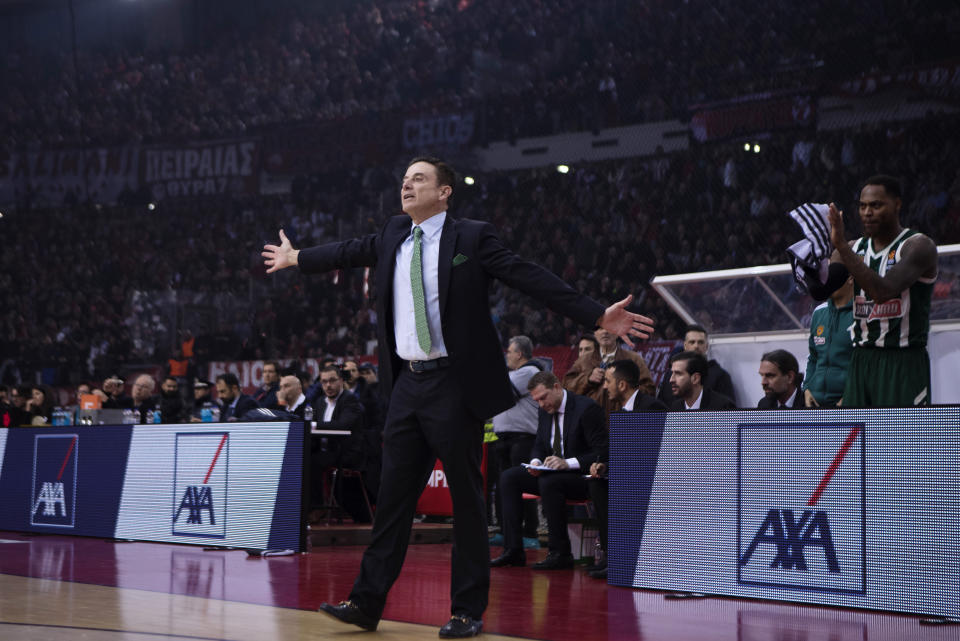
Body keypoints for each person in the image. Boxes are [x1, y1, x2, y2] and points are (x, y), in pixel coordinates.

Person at [262, 156, 654, 638]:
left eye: (419, 178)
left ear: (445, 191)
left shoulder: (472, 236)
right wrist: (296, 257)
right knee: (393, 500)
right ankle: (366, 603)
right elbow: (347, 251)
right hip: (407, 384)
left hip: (454, 384)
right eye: (403, 177)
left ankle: (467, 610)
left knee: (467, 502)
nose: (406, 183)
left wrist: (597, 315)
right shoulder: (390, 234)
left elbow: (528, 275)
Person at [821, 175, 938, 407]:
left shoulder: (919, 246)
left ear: (897, 204)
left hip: (903, 359)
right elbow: (820, 290)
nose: (867, 212)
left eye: (876, 205)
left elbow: (883, 291)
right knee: (861, 441)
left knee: (903, 440)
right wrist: (804, 260)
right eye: (863, 206)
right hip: (862, 358)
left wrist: (841, 247)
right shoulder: (855, 248)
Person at [491, 371, 606, 571]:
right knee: (509, 477)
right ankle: (513, 550)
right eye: (536, 400)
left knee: (549, 482)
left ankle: (560, 553)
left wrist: (567, 463)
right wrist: (535, 461)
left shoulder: (586, 408)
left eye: (543, 398)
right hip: (553, 474)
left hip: (582, 477)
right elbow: (539, 444)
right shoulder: (544, 411)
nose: (541, 404)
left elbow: (601, 452)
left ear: (556, 387)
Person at [586, 360, 668, 580]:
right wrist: (603, 464)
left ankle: (622, 557)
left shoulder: (651, 407)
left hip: (651, 479)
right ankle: (609, 554)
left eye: (609, 381)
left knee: (615, 487)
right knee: (596, 483)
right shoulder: (620, 411)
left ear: (622, 385)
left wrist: (614, 468)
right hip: (626, 476)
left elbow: (650, 454)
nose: (605, 386)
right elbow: (619, 452)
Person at [489, 336, 542, 550]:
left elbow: (500, 392)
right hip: (505, 439)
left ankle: (529, 533)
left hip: (523, 439)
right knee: (503, 487)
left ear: (520, 354)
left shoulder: (528, 372)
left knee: (524, 485)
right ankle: (505, 531)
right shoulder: (516, 374)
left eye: (509, 351)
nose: (507, 355)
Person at [313, 365, 370, 524]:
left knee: (312, 462)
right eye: (324, 382)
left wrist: (314, 425)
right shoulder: (319, 402)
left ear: (341, 381)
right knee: (303, 458)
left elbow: (342, 425)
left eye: (332, 381)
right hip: (326, 452)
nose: (328, 386)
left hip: (347, 453)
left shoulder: (349, 400)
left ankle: (318, 508)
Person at [563, 328, 655, 415]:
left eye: (610, 327)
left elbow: (649, 391)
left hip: (625, 423)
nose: (605, 332)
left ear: (618, 331)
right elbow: (566, 389)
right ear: (595, 333)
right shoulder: (583, 361)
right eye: (600, 328)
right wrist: (587, 379)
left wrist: (624, 389)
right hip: (591, 425)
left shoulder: (634, 359)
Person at [803, 277, 854, 407]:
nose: (827, 282)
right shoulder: (819, 312)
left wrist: (853, 395)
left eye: (833, 275)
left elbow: (866, 363)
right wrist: (807, 387)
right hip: (815, 403)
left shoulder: (862, 312)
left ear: (850, 278)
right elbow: (813, 356)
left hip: (849, 403)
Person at [656, 324, 735, 406]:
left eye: (700, 342)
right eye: (692, 342)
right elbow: (661, 408)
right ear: (685, 346)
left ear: (706, 346)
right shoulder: (670, 375)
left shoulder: (720, 376)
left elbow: (728, 410)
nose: (696, 346)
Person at [668, 351, 736, 411]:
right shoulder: (675, 407)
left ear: (695, 379)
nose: (671, 380)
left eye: (678, 374)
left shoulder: (723, 407)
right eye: (672, 373)